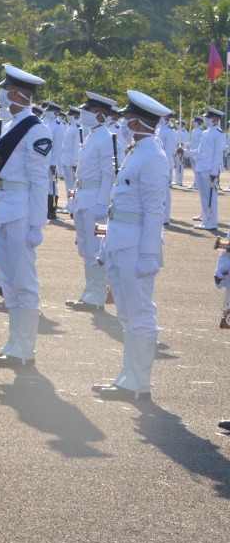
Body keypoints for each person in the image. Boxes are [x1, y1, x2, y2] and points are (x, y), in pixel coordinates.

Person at [93, 91, 172, 402]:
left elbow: (155, 210)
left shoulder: (153, 156)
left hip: (137, 247)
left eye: (126, 118)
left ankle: (139, 384)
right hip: (121, 241)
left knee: (139, 313)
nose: (122, 121)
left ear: (138, 122)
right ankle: (128, 379)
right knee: (126, 314)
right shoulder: (136, 151)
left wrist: (150, 254)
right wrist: (105, 245)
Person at [0, 65, 52, 368]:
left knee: (24, 282)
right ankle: (13, 344)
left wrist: (37, 224)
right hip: (3, 208)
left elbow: (39, 182)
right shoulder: (9, 126)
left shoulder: (36, 130)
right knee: (8, 280)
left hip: (21, 212)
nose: (2, 94)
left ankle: (25, 349)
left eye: (6, 90)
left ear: (19, 95)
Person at [65, 92, 118, 313]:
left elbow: (109, 174)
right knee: (86, 250)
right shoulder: (91, 135)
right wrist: (73, 199)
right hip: (83, 198)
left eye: (87, 111)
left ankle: (96, 297)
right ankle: (89, 292)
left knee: (95, 251)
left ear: (99, 114)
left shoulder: (106, 137)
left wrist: (102, 203)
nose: (82, 114)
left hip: (95, 199)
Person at [191, 108, 225, 231]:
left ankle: (212, 222)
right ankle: (206, 221)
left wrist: (214, 172)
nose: (205, 120)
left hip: (209, 170)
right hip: (201, 168)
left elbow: (217, 155)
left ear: (215, 119)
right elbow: (198, 151)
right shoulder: (206, 133)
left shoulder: (219, 134)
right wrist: (184, 152)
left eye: (208, 118)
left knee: (211, 197)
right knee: (204, 196)